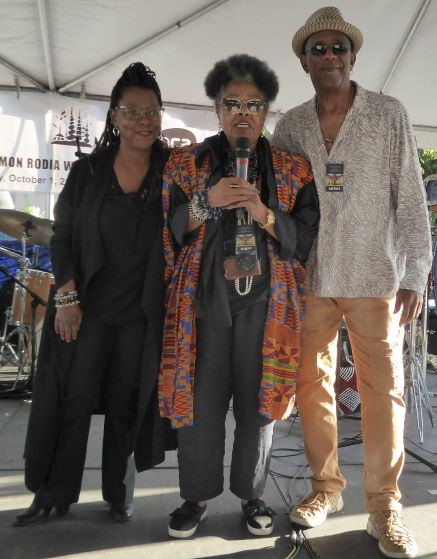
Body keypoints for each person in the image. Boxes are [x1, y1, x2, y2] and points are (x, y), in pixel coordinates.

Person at [271, 6, 432, 559]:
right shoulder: (289, 125)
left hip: (375, 276)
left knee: (381, 390)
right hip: (310, 277)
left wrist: (416, 271)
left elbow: (410, 197)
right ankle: (325, 488)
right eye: (318, 49)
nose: (329, 56)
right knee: (309, 386)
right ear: (303, 60)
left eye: (338, 48)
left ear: (353, 57)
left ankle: (384, 505)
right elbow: (281, 206)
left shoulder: (387, 114)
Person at [159, 54, 319, 539]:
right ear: (217, 110)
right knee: (201, 403)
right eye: (232, 104)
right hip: (202, 306)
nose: (242, 113)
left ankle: (252, 495)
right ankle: (196, 496)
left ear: (267, 110)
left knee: (259, 406)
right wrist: (209, 202)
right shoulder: (186, 163)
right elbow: (169, 231)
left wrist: (263, 211)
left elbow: (306, 238)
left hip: (267, 308)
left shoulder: (294, 168)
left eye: (253, 103)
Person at [14, 62, 172, 526]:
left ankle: (118, 493)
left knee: (127, 402)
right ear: (115, 117)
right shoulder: (88, 172)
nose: (145, 120)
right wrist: (65, 297)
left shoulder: (174, 171)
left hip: (140, 314)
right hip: (86, 311)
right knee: (73, 397)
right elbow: (61, 236)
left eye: (153, 111)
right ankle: (54, 492)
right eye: (134, 111)